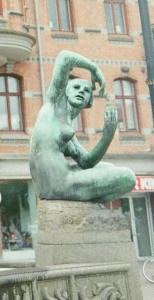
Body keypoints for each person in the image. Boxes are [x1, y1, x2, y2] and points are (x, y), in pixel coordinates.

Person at [29, 51, 136, 203]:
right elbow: (64, 57)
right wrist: (94, 68)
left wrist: (107, 136)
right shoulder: (53, 104)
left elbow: (86, 162)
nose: (81, 91)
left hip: (55, 184)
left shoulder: (67, 127)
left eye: (86, 91)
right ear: (65, 91)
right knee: (128, 177)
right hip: (59, 184)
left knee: (108, 167)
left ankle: (88, 206)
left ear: (88, 102)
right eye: (76, 87)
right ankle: (89, 205)